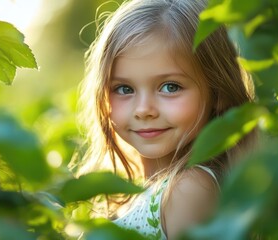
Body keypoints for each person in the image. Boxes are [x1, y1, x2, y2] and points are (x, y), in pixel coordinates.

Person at [73, 0, 256, 238]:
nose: (143, 110)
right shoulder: (138, 194)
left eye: (170, 87)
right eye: (124, 89)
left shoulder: (188, 190)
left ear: (218, 93)